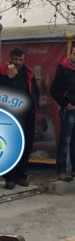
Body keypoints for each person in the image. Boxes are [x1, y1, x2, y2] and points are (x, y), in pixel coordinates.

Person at [0, 48, 39, 188]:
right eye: (16, 59)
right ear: (10, 58)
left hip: (26, 113)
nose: (18, 62)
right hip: (10, 114)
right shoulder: (2, 71)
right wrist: (8, 78)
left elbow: (35, 91)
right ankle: (10, 178)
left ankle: (21, 175)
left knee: (26, 145)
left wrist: (34, 105)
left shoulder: (28, 72)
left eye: (21, 60)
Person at [50, 45, 75, 179]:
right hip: (68, 110)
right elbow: (53, 90)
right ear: (70, 54)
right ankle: (62, 171)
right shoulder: (63, 69)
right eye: (74, 54)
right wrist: (66, 103)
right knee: (65, 140)